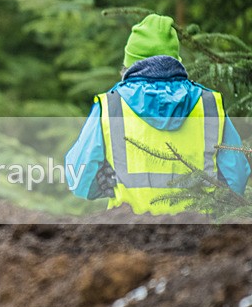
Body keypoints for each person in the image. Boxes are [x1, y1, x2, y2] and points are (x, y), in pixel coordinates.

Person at [65, 13, 250, 214]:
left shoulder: (111, 106)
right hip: (202, 236)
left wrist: (100, 186)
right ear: (176, 62)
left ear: (128, 66)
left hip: (127, 235)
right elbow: (236, 179)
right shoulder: (209, 104)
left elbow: (78, 178)